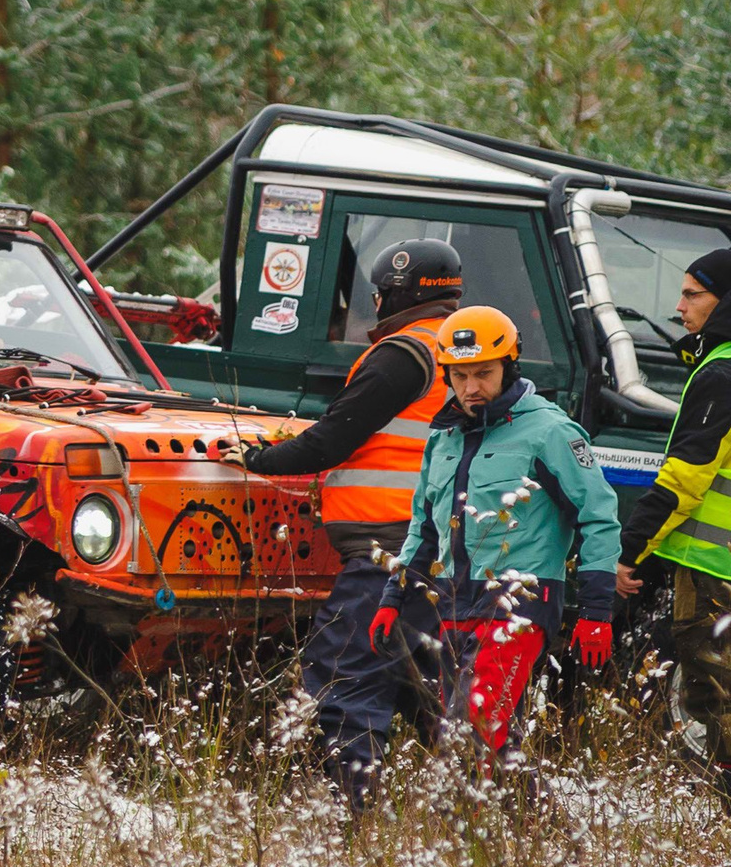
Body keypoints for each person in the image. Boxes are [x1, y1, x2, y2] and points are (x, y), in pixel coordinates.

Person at [240, 239, 463, 805]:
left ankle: (346, 815)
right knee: (439, 696)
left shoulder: (404, 353)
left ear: (396, 295)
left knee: (347, 675)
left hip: (387, 550)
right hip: (439, 551)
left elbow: (333, 439)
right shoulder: (463, 351)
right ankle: (512, 818)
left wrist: (257, 459)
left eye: (380, 296)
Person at [373, 305, 620, 770]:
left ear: (510, 365)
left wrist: (597, 611)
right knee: (490, 742)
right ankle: (547, 837)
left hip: (521, 602)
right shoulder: (442, 438)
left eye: (483, 373)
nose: (471, 388)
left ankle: (464, 836)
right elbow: (424, 527)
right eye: (460, 376)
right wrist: (393, 595)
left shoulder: (551, 431)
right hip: (453, 603)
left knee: (471, 732)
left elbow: (599, 516)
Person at [613, 246, 731, 784]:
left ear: (727, 303)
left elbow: (686, 476)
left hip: (709, 559)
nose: (680, 307)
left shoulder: (725, 372)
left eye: (692, 295)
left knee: (715, 687)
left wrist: (632, 550)